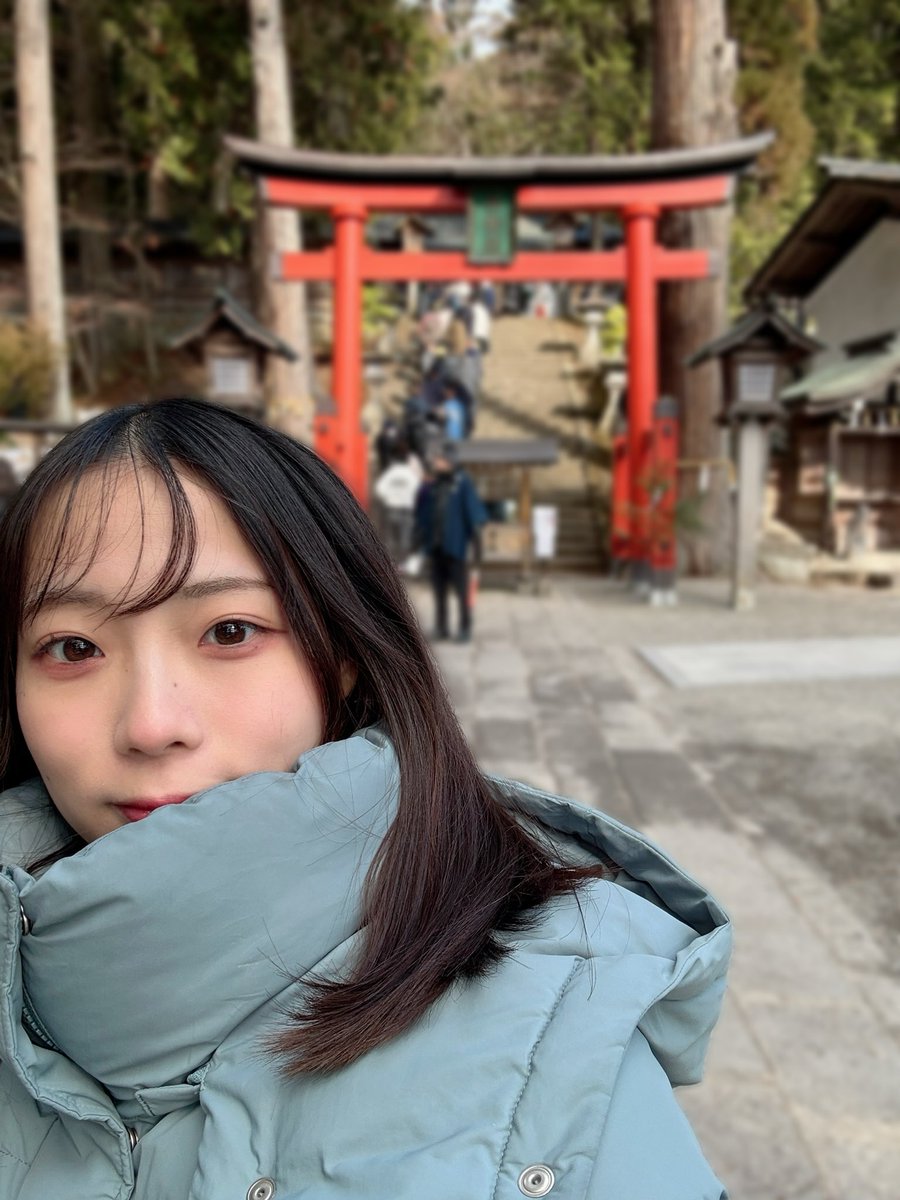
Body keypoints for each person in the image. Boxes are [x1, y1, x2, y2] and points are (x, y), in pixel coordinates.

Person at [0, 397, 730, 1200]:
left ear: (343, 655)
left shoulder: (562, 1073)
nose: (150, 724)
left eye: (230, 632)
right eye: (73, 647)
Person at [415, 447, 487, 643]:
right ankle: (442, 627)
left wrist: (477, 542)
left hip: (455, 546)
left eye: (440, 460)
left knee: (461, 591)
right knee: (439, 591)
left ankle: (464, 627)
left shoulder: (462, 483)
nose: (437, 463)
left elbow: (473, 512)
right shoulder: (434, 485)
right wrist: (420, 539)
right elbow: (424, 514)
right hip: (436, 546)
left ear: (450, 462)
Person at [373, 441, 421, 563]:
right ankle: (403, 564)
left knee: (391, 540)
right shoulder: (410, 473)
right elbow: (417, 488)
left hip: (392, 509)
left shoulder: (391, 473)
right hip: (406, 510)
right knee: (405, 540)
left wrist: (390, 497)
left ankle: (392, 565)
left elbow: (379, 488)